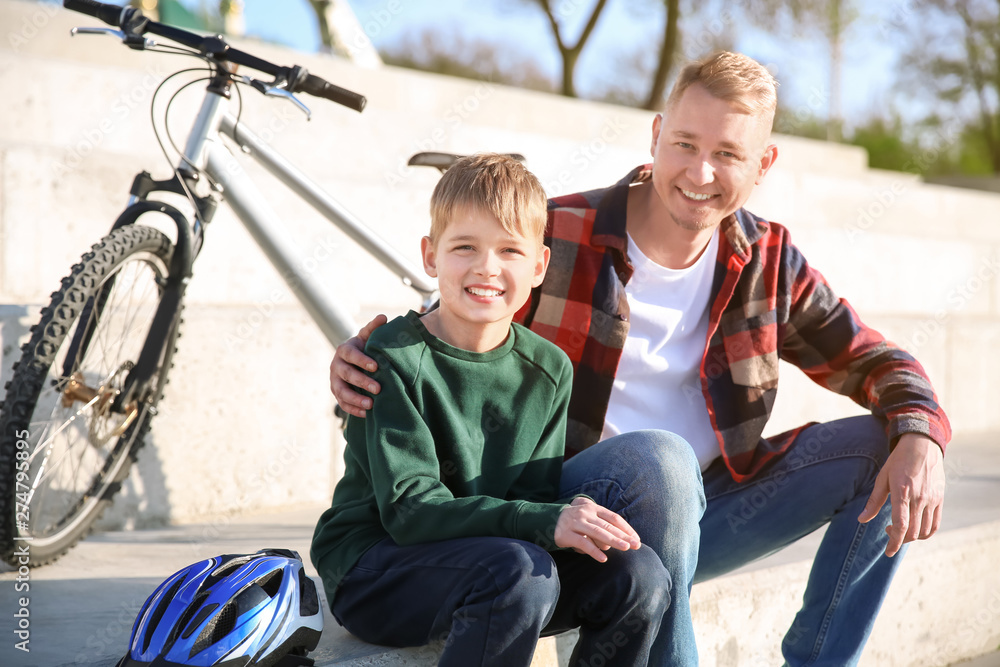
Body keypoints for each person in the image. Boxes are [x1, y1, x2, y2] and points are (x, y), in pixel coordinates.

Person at [333, 52, 953, 666]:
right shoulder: (559, 234)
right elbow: (452, 336)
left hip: (713, 511)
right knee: (660, 459)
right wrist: (362, 364)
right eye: (685, 144)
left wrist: (922, 435)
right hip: (573, 508)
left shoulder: (769, 261)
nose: (701, 171)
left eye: (728, 153)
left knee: (888, 445)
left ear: (763, 164)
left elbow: (875, 359)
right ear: (656, 135)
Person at [311, 153, 671, 667]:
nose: (486, 267)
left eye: (509, 250)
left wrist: (554, 522)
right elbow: (411, 512)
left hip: (493, 559)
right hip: (375, 568)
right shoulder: (391, 357)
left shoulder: (548, 368)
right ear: (431, 256)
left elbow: (530, 498)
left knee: (640, 576)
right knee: (517, 574)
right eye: (465, 247)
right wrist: (544, 521)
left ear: (539, 266)